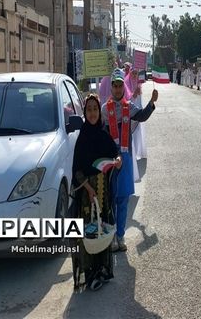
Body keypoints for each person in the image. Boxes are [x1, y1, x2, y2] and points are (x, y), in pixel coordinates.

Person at [101, 69, 158, 252]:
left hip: (124, 158)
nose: (118, 89)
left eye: (120, 86)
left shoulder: (129, 107)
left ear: (123, 88)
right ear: (111, 87)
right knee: (110, 199)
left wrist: (151, 103)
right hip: (110, 159)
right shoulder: (104, 109)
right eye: (115, 86)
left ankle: (120, 236)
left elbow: (141, 116)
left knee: (123, 199)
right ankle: (111, 237)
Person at [71, 94, 122, 292]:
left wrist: (118, 159)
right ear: (84, 112)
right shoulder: (82, 138)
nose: (92, 113)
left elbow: (115, 151)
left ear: (99, 112)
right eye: (89, 109)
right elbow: (76, 169)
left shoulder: (103, 133)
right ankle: (90, 272)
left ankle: (103, 269)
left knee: (104, 228)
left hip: (104, 191)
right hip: (87, 193)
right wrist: (89, 188)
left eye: (95, 109)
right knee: (89, 231)